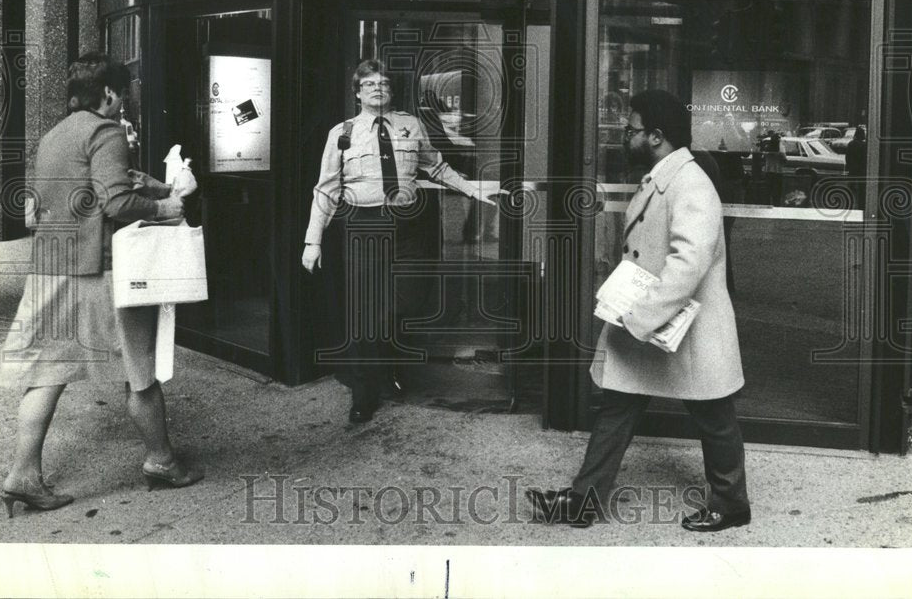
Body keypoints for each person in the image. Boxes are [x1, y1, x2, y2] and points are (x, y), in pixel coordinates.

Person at [526, 89, 750, 532]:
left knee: (714, 415)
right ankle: (582, 502)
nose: (624, 137)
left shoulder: (690, 183)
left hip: (684, 324)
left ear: (656, 136)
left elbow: (689, 261)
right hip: (659, 321)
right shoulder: (667, 175)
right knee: (618, 407)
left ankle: (732, 504)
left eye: (631, 130)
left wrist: (639, 315)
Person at [0, 53, 203, 517]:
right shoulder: (105, 130)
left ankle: (22, 475)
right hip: (99, 270)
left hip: (52, 265)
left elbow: (46, 204)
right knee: (140, 368)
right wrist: (164, 209)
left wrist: (145, 186)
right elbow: (114, 201)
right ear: (109, 94)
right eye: (123, 92)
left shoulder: (55, 134)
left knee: (48, 372)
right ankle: (161, 461)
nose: (124, 101)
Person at [302, 59, 504, 424]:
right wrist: (312, 241)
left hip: (408, 226)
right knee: (366, 312)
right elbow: (327, 189)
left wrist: (472, 189)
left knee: (405, 298)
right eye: (369, 84)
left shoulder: (410, 125)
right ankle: (365, 392)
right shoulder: (342, 133)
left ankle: (384, 364)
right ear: (358, 93)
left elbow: (437, 167)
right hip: (365, 223)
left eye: (384, 83)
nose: (378, 88)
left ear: (391, 90)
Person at [845, 126, 867, 209]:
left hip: (853, 169)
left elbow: (847, 157)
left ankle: (849, 205)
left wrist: (849, 166)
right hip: (861, 169)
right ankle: (860, 205)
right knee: (862, 189)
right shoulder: (864, 145)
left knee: (851, 187)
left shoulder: (851, 144)